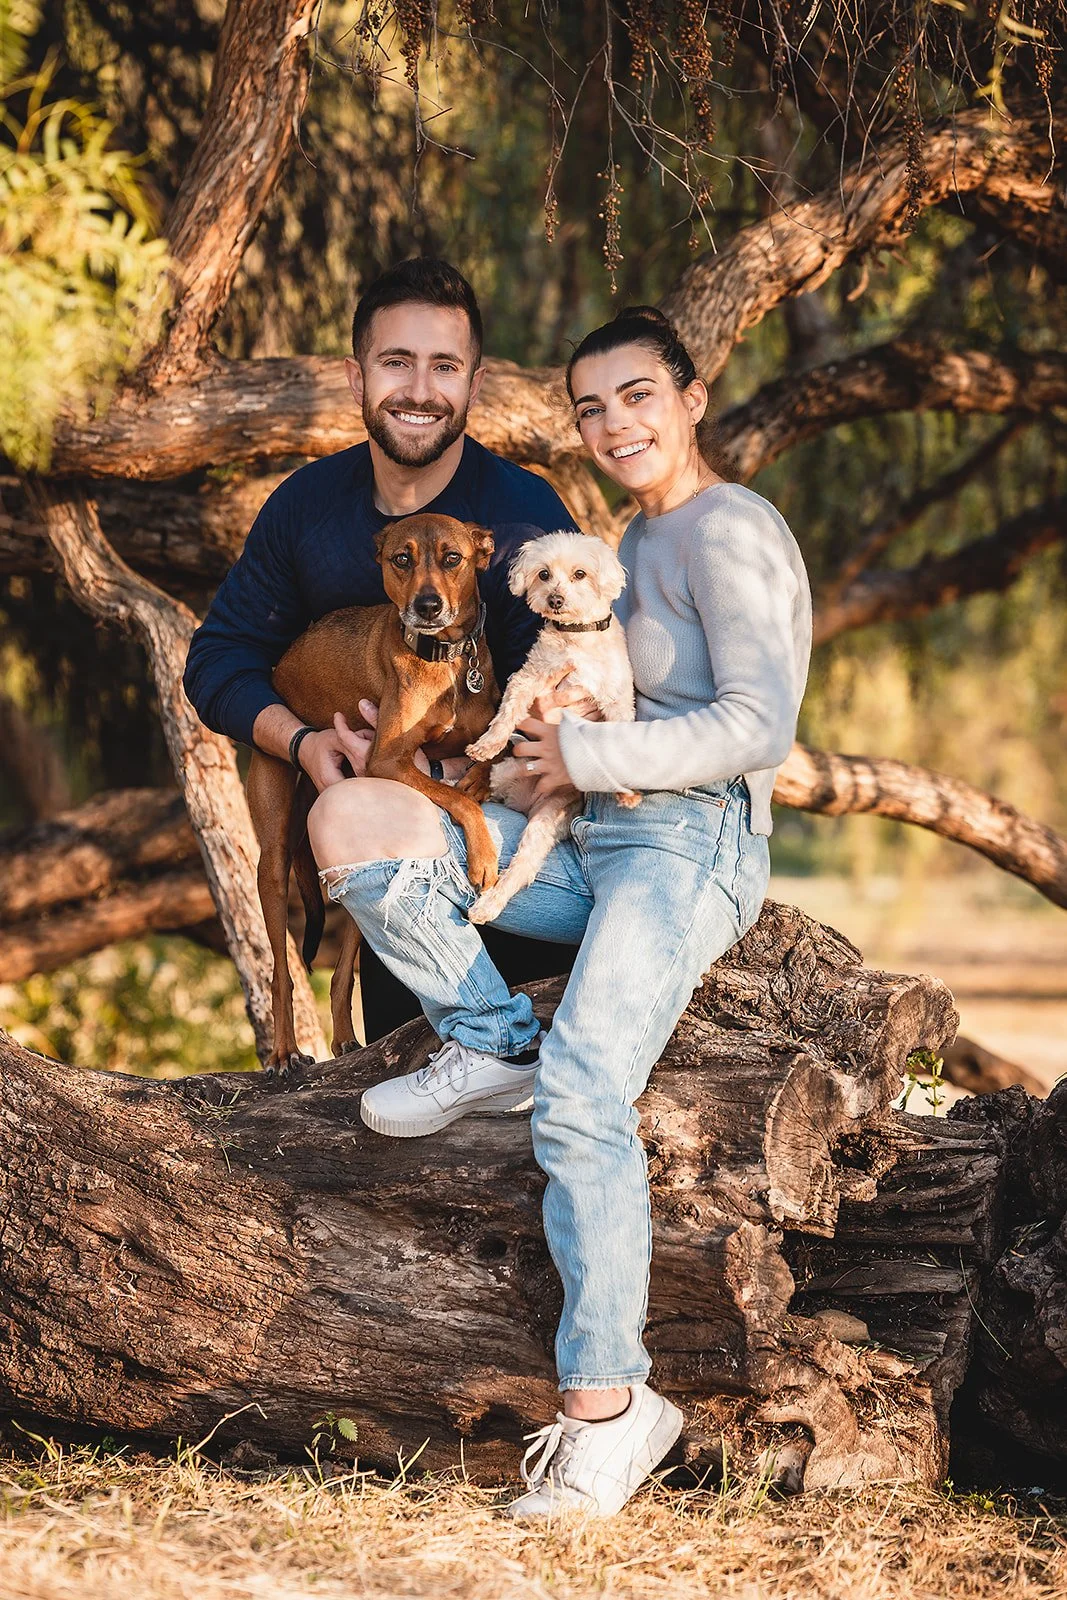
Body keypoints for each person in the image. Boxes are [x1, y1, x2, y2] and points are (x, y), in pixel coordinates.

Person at [307, 306, 813, 1519]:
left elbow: (760, 728)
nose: (611, 423)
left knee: (588, 1081)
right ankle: (487, 1040)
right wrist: (546, 766)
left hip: (685, 843)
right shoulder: (609, 545)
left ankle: (607, 1407)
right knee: (352, 825)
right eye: (589, 407)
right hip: (573, 840)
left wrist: (581, 755)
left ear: (690, 398)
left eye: (636, 395)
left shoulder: (730, 527)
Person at [183, 258, 582, 1039]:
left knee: (522, 1081)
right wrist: (303, 745)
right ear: (356, 376)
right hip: (374, 852)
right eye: (396, 362)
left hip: (500, 840)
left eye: (444, 366)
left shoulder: (523, 514)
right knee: (402, 1068)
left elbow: (565, 694)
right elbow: (218, 661)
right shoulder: (305, 506)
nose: (419, 389)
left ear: (474, 381)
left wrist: (433, 769)